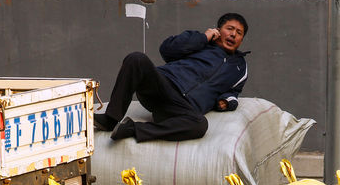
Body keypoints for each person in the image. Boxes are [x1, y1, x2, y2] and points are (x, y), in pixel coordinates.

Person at [94, 13, 249, 142]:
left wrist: (227, 102)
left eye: (239, 33)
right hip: (163, 85)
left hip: (182, 106)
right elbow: (167, 50)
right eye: (229, 29)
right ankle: (111, 119)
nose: (233, 34)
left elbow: (233, 92)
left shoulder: (240, 68)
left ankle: (131, 129)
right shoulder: (200, 41)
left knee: (200, 125)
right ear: (218, 30)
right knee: (136, 59)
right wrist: (203, 37)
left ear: (241, 40)